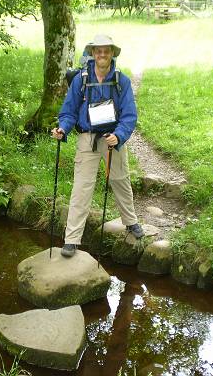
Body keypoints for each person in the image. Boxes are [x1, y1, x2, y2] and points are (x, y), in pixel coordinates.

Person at [51, 34, 144, 258]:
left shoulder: (121, 81)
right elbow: (69, 110)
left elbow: (130, 116)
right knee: (81, 187)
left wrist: (119, 135)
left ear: (112, 53)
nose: (102, 54)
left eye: (106, 50)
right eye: (98, 50)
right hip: (87, 138)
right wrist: (62, 128)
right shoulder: (80, 79)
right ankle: (72, 239)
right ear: (92, 53)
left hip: (112, 139)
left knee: (120, 181)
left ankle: (130, 221)